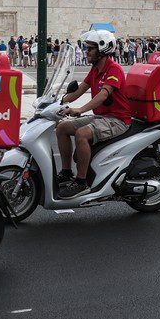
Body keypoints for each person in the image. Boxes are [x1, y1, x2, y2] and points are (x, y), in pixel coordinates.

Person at [55, 30, 133, 199]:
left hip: (118, 120)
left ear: (103, 49)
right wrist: (58, 102)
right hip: (102, 117)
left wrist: (80, 110)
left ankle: (81, 182)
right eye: (87, 48)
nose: (86, 51)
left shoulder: (114, 69)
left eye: (90, 48)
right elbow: (79, 91)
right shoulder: (95, 69)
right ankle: (66, 172)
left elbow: (104, 94)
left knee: (81, 134)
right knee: (62, 128)